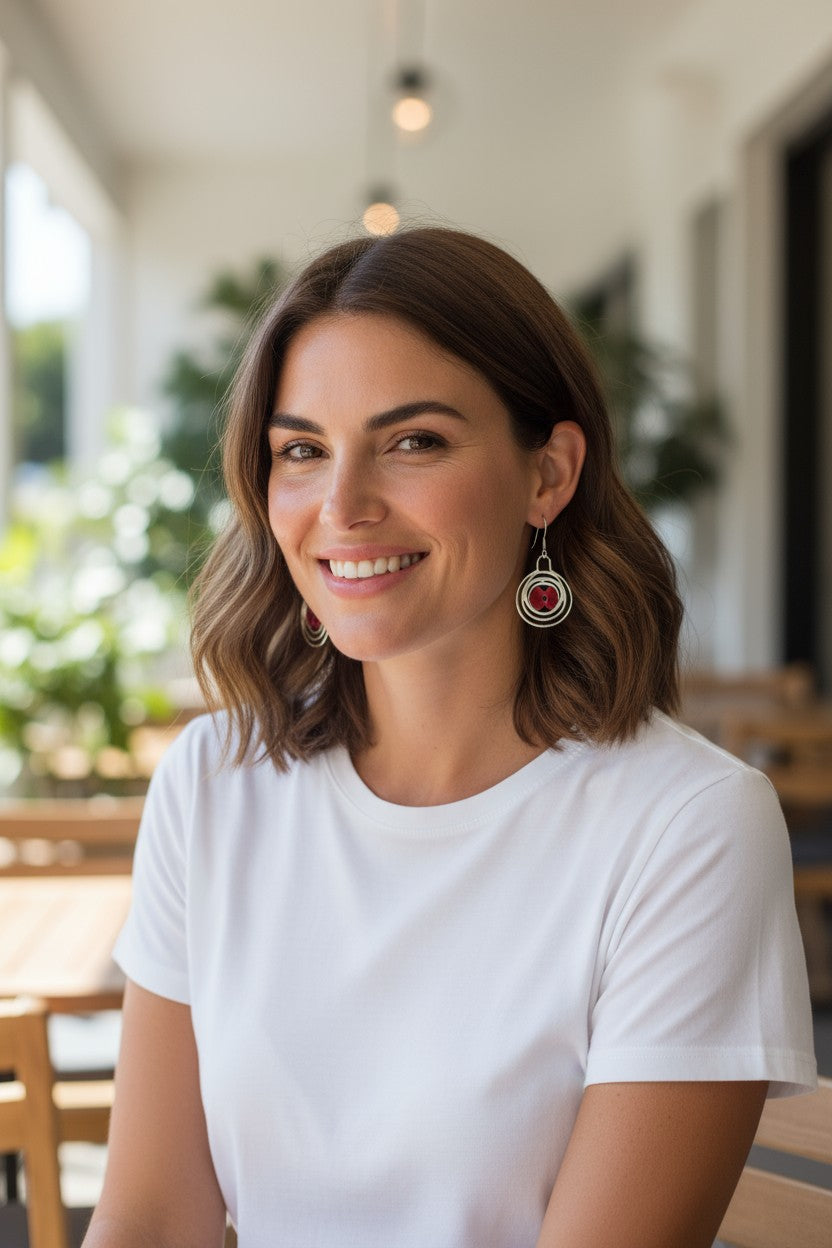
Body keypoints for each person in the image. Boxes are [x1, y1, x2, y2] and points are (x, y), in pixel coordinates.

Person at [84, 227, 816, 1248]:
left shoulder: (685, 826)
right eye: (301, 450)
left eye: (412, 441)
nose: (341, 506)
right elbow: (151, 1220)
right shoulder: (214, 783)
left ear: (548, 474)